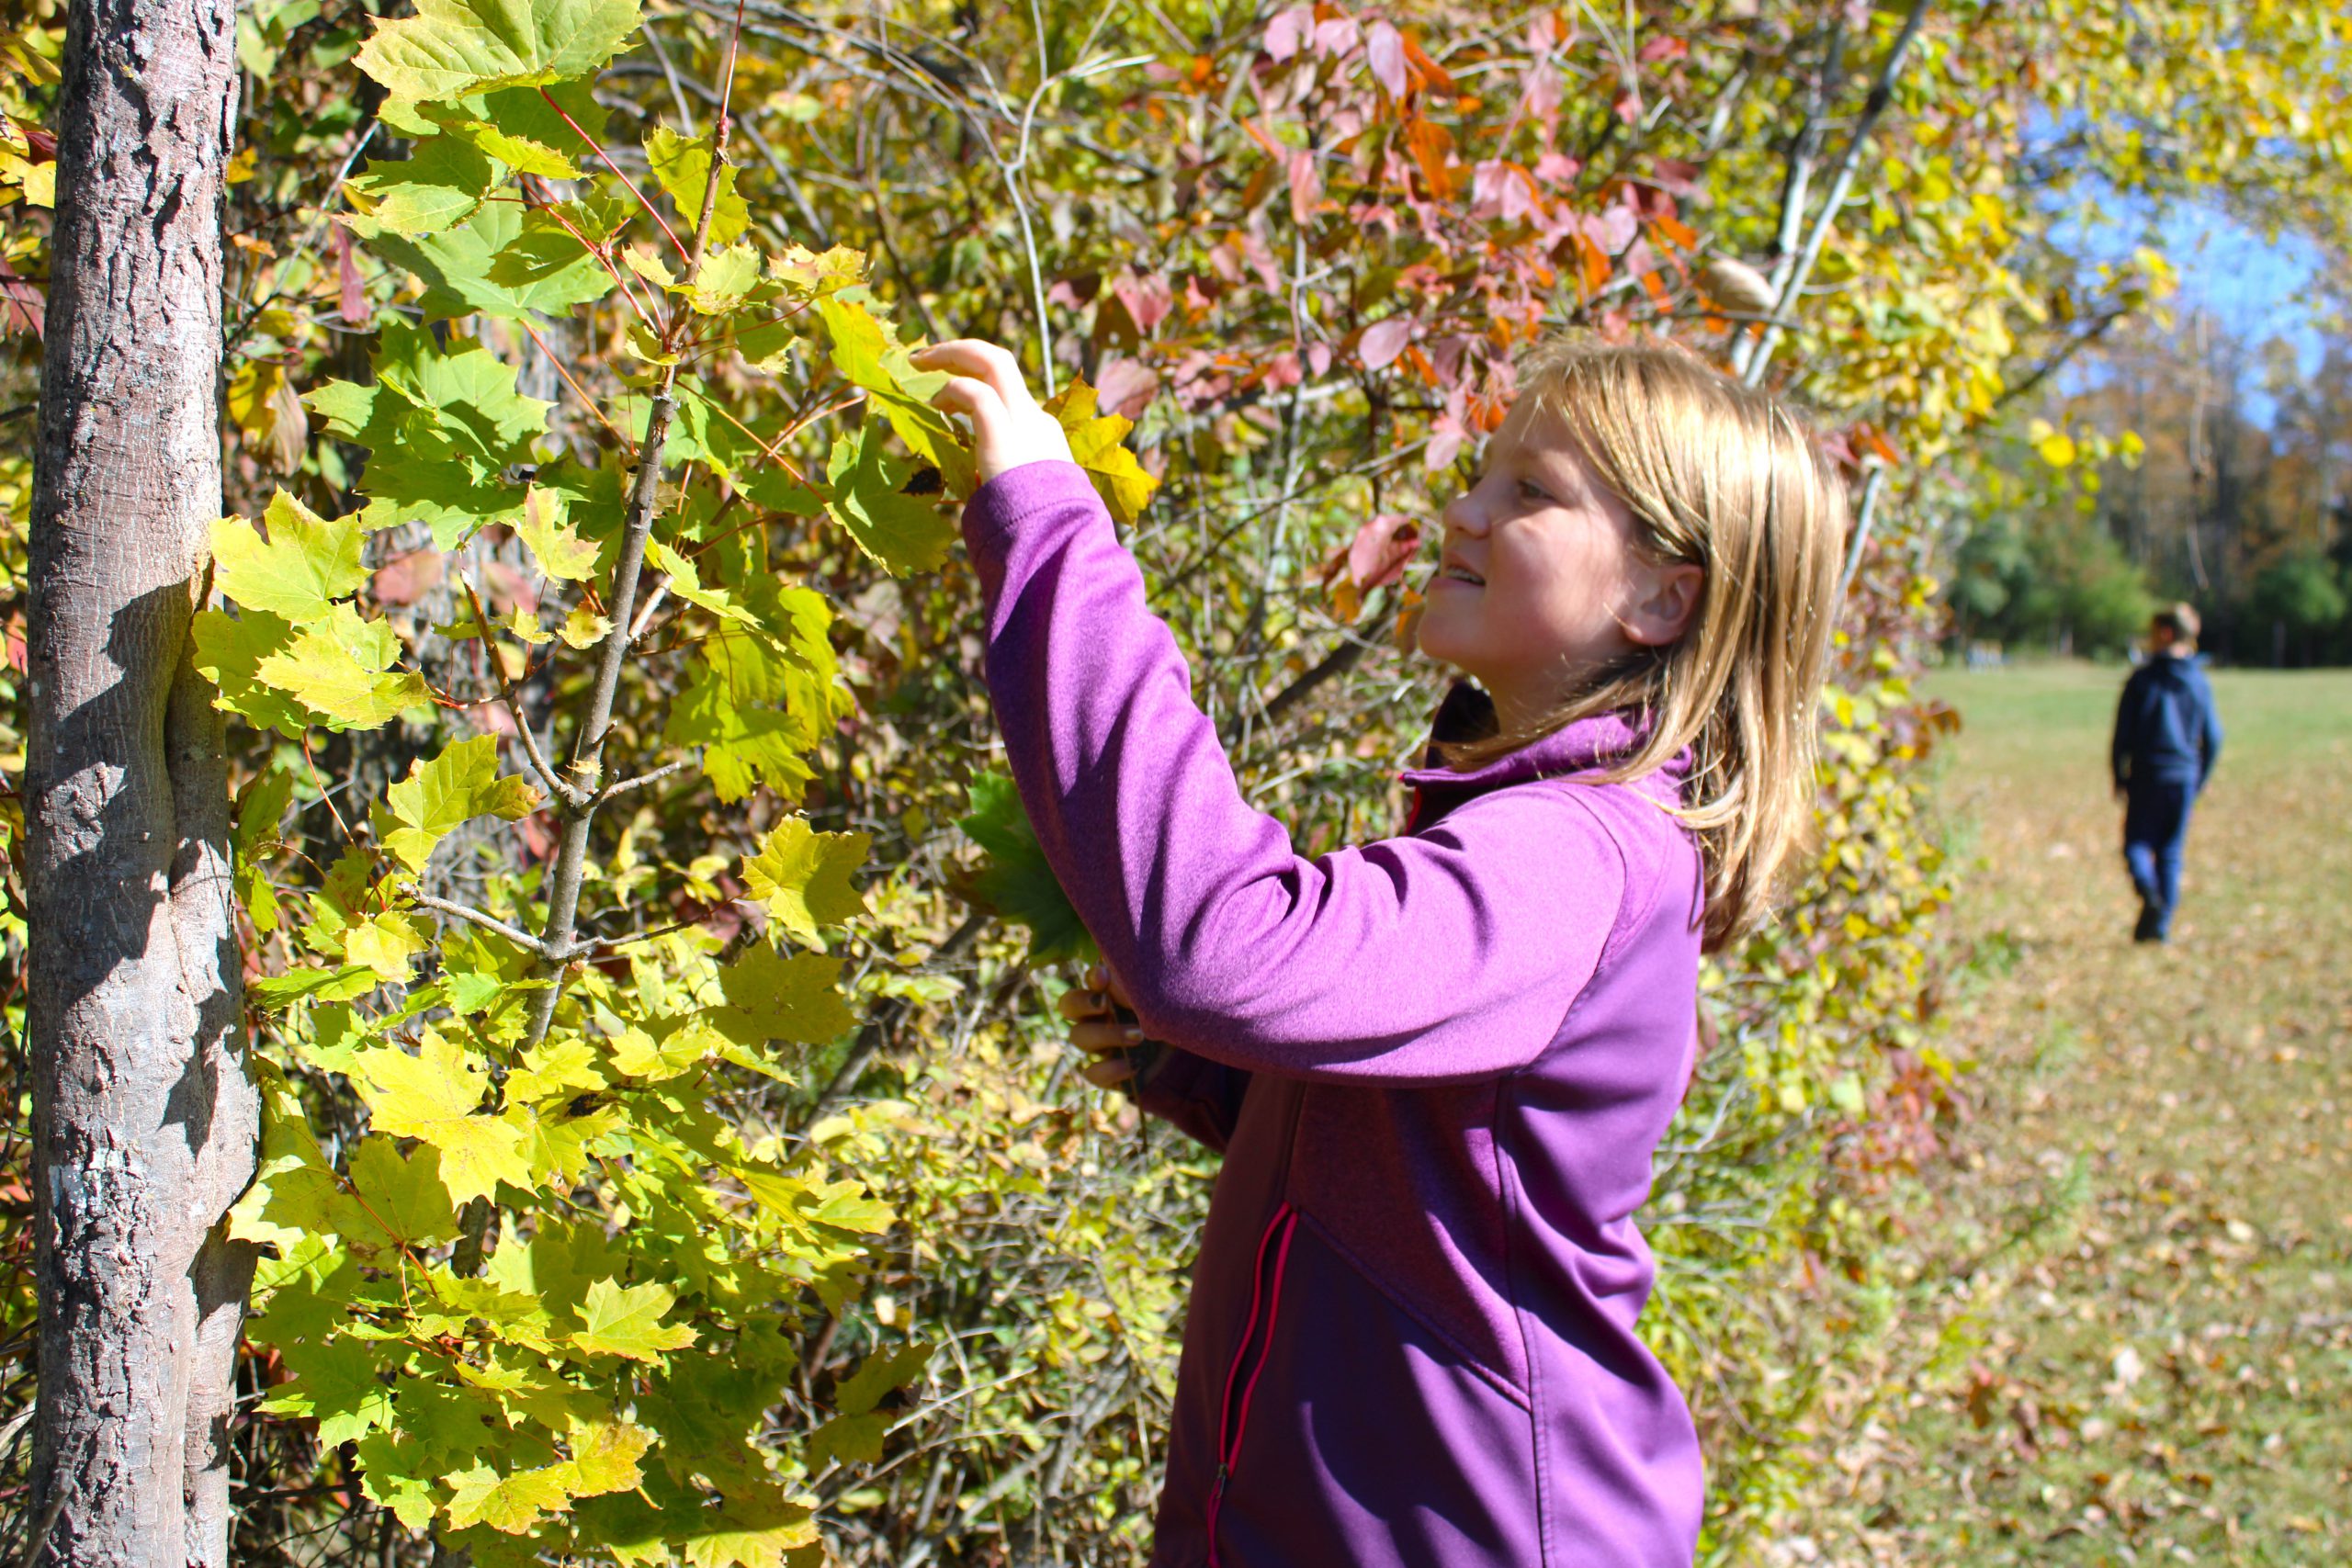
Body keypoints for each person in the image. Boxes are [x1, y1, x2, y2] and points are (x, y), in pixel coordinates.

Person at [914, 334, 1849, 1568]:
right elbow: (1454, 1163)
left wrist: (1044, 522)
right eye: (1486, 473)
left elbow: (1217, 944)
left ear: (1662, 595)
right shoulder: (1530, 831)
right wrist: (1221, 1076)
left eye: (1532, 490)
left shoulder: (1574, 853)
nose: (1462, 508)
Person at [2109, 603, 2222, 943]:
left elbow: (2122, 735)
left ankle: (2151, 897)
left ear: (2166, 633)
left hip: (2147, 775)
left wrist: (2118, 774)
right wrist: (2199, 780)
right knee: (2171, 851)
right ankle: (2160, 928)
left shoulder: (2141, 680)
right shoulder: (2198, 682)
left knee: (2137, 844)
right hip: (2183, 777)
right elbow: (2214, 738)